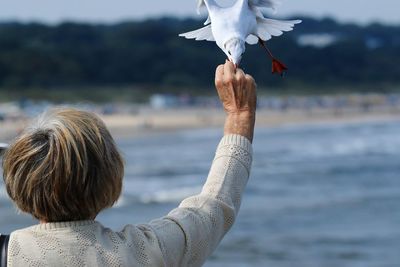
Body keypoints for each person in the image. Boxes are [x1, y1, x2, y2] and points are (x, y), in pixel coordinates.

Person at [1, 61, 256, 267]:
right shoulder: (153, 252)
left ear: (15, 185)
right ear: (112, 177)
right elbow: (216, 204)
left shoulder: (7, 255)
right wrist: (239, 115)